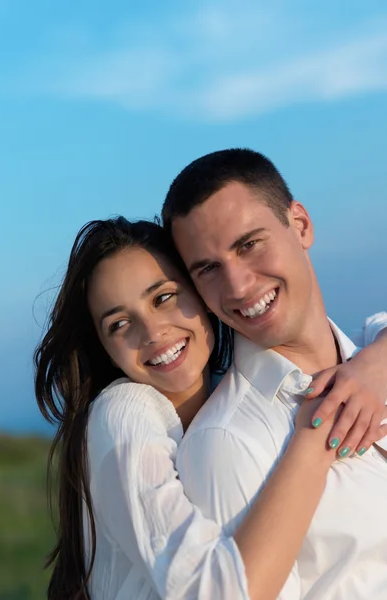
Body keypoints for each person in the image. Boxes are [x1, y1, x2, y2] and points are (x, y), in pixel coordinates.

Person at [34, 217, 386, 600]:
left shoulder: (222, 381)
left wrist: (374, 363)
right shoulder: (124, 411)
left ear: (199, 293)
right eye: (120, 324)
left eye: (163, 298)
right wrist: (315, 437)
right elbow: (213, 593)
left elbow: (371, 328)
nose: (152, 334)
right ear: (106, 348)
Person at [161, 148, 387, 600]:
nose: (239, 286)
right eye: (208, 269)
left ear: (300, 226)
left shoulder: (369, 352)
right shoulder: (223, 443)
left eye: (248, 245)